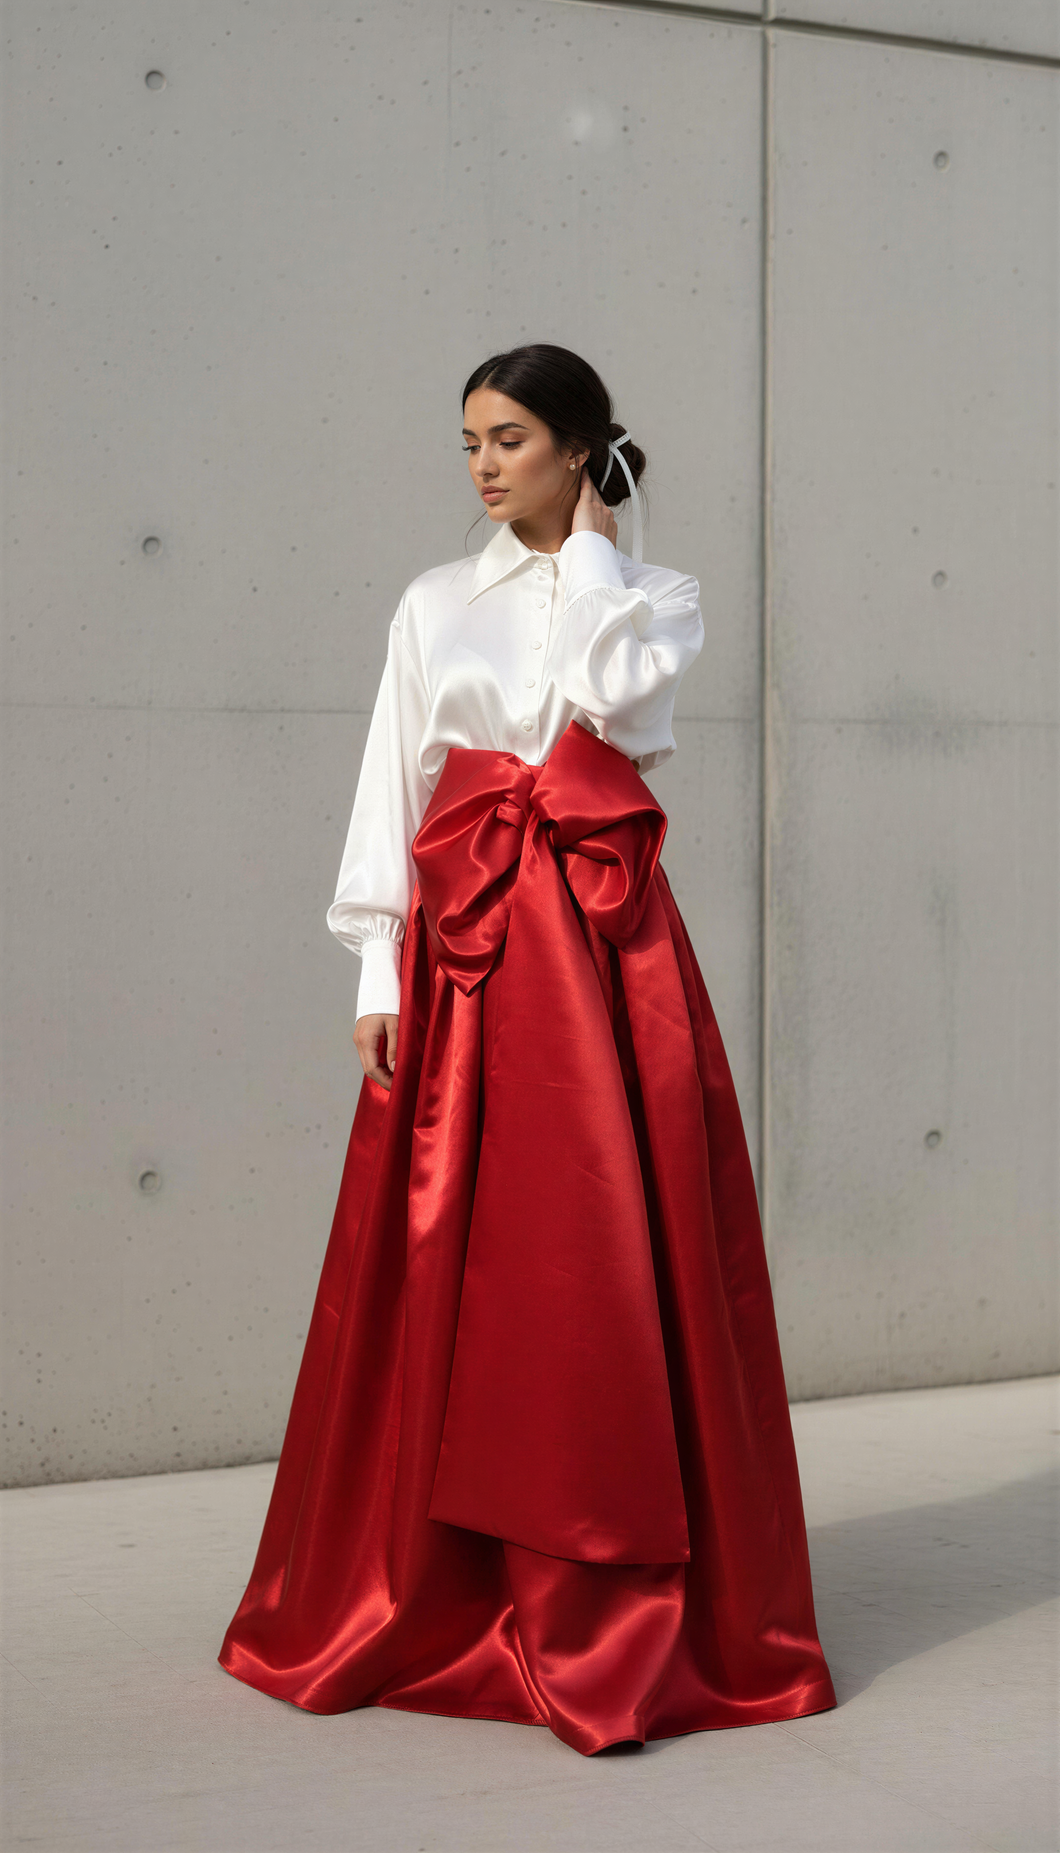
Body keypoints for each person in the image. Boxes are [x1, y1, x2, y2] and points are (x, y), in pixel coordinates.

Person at [218, 343, 837, 1756]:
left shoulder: (654, 597)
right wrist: (375, 960)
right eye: (469, 443)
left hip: (608, 952)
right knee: (448, 1245)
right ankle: (436, 1589)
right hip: (467, 945)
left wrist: (601, 553)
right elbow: (395, 774)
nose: (484, 466)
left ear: (577, 447)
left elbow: (612, 711)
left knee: (606, 1250)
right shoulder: (435, 601)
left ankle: (611, 1595)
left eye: (509, 439)